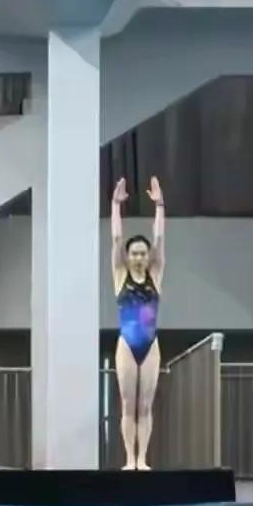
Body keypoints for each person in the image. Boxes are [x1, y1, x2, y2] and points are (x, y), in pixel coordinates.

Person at [111, 174, 165, 470]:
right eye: (134, 253)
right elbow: (116, 240)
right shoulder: (121, 275)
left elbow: (160, 240)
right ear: (128, 257)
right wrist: (115, 206)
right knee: (127, 405)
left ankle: (142, 459)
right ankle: (129, 459)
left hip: (150, 345)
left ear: (148, 257)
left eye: (143, 253)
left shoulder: (155, 275)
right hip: (127, 344)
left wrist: (159, 206)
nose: (139, 257)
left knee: (145, 406)